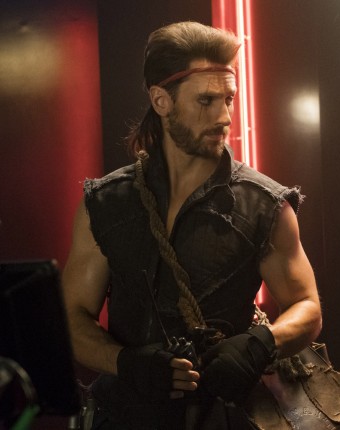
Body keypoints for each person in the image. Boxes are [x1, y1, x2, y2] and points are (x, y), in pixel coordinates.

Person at [62, 21, 322, 429]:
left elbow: (307, 306)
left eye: (229, 99)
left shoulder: (263, 204)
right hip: (125, 415)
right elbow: (72, 316)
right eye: (206, 101)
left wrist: (259, 343)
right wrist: (126, 362)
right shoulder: (107, 202)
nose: (224, 116)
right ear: (161, 100)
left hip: (224, 415)